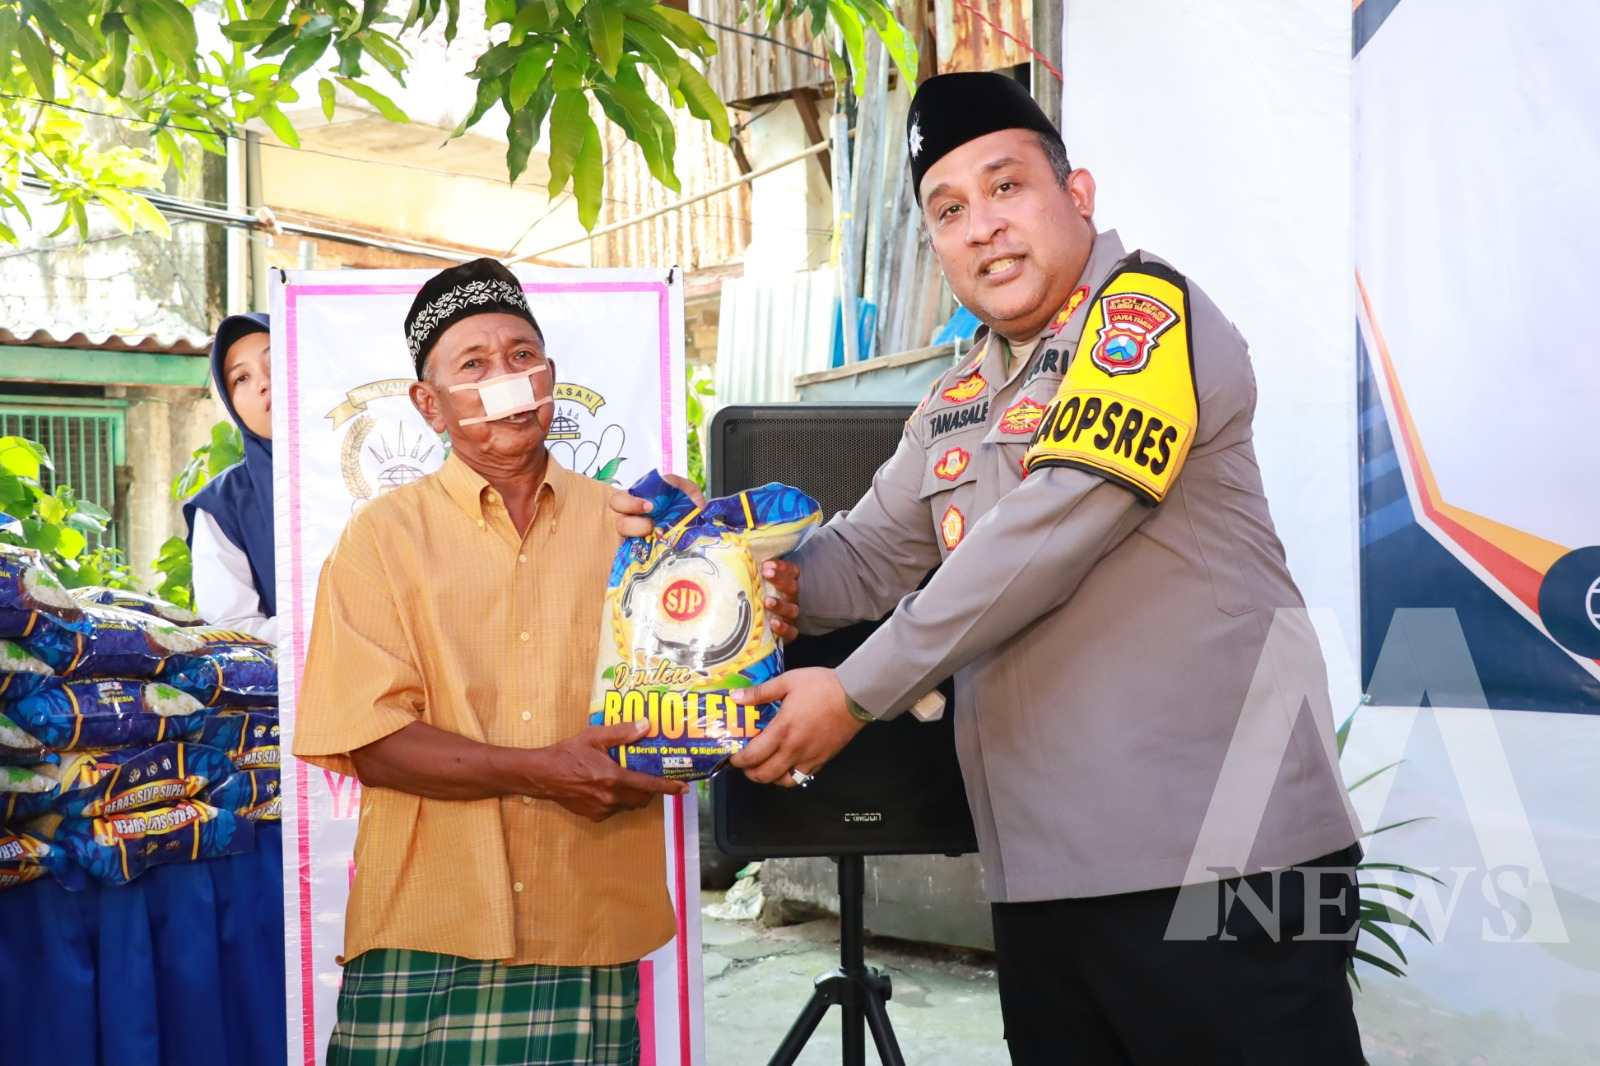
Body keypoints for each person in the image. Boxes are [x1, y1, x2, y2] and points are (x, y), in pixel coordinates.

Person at [616, 73, 1365, 1064]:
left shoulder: (1147, 316)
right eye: (949, 209)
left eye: (1006, 187)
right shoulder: (959, 396)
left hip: (1222, 859)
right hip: (1045, 877)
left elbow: (1053, 528)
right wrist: (709, 551)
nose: (982, 227)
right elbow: (859, 560)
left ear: (1077, 194)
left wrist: (856, 692)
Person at [291, 258, 796, 1066]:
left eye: (522, 356)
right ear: (428, 405)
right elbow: (370, 742)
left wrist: (748, 604)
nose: (507, 382)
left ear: (550, 378)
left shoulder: (638, 523)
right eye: (474, 365)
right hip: (429, 916)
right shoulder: (381, 539)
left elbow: (700, 670)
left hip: (588, 910)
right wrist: (542, 771)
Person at [184, 311, 277, 640]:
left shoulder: (367, 462)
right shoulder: (223, 506)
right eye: (241, 378)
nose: (264, 383)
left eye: (275, 361)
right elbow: (234, 628)